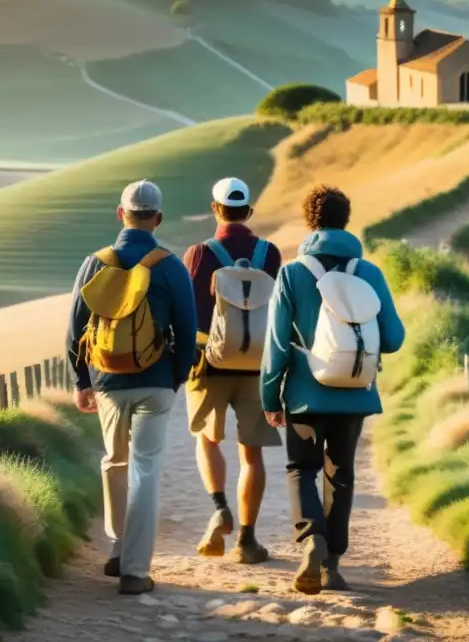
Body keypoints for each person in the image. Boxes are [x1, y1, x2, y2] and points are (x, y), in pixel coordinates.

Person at [260, 185, 405, 595]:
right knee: (340, 474)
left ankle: (311, 542)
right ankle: (333, 564)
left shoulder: (292, 273)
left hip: (305, 394)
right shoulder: (369, 273)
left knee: (301, 470)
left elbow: (274, 346)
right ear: (346, 220)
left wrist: (271, 398)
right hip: (355, 391)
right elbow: (393, 338)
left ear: (310, 222)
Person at [66, 179, 198, 595]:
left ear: (121, 214)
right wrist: (175, 378)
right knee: (146, 470)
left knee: (115, 462)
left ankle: (118, 546)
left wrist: (82, 380)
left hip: (107, 382)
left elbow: (74, 328)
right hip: (156, 383)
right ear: (157, 219)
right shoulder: (170, 265)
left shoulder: (95, 263)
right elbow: (188, 327)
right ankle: (136, 571)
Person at [182, 177, 283, 564]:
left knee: (208, 440)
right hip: (257, 364)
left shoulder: (200, 253)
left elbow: (190, 311)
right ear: (250, 212)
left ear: (214, 209)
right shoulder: (269, 253)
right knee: (251, 454)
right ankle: (247, 539)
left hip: (209, 361)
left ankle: (220, 507)